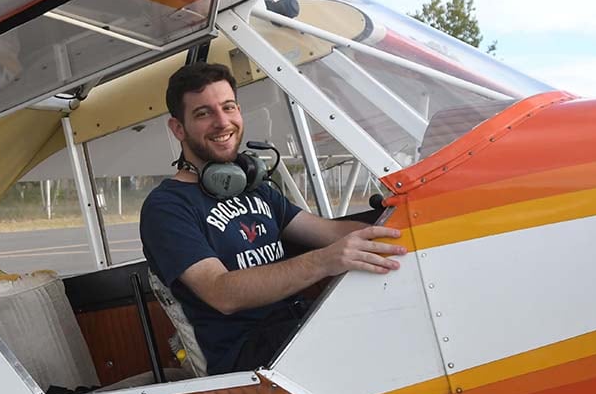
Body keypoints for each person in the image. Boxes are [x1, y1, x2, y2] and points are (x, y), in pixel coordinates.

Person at [139, 62, 406, 375]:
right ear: (178, 129)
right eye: (203, 113)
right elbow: (220, 292)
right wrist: (325, 261)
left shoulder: (257, 189)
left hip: (298, 327)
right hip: (253, 358)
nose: (222, 122)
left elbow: (328, 231)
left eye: (228, 108)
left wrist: (398, 229)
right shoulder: (167, 207)